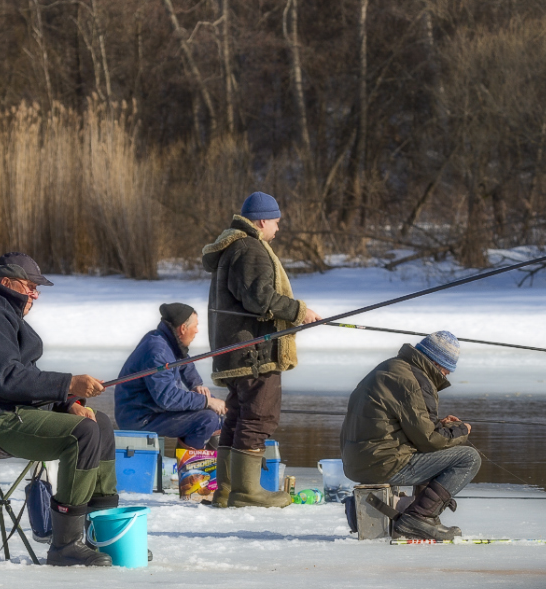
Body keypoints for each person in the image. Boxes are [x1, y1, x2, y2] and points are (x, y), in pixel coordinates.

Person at [0, 252, 116, 567]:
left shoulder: (1, 313)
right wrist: (69, 384)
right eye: (30, 286)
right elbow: (8, 380)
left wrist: (68, 401)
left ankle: (104, 535)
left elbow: (25, 381)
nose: (36, 293)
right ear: (6, 283)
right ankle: (65, 546)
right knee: (83, 434)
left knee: (98, 422)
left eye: (37, 287)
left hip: (12, 413)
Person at [202, 191, 321, 508]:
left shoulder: (237, 246)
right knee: (258, 418)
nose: (278, 229)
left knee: (238, 416)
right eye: (277, 222)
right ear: (263, 220)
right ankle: (246, 492)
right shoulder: (249, 248)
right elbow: (260, 299)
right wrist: (299, 311)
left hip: (240, 350)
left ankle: (227, 490)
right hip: (254, 353)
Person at [339, 331, 480, 541]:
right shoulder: (415, 382)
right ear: (436, 363)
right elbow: (430, 441)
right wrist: (461, 430)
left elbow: (403, 426)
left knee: (441, 449)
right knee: (469, 458)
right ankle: (420, 518)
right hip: (382, 462)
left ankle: (414, 516)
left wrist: (441, 425)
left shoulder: (393, 367)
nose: (446, 376)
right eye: (446, 371)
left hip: (359, 461)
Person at [113, 302, 226, 450]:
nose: (197, 331)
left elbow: (185, 362)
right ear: (183, 328)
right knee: (207, 419)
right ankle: (190, 470)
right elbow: (167, 398)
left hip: (151, 410)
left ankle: (211, 463)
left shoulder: (166, 339)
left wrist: (196, 385)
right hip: (139, 418)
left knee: (214, 409)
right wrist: (205, 401)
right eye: (196, 326)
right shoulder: (157, 352)